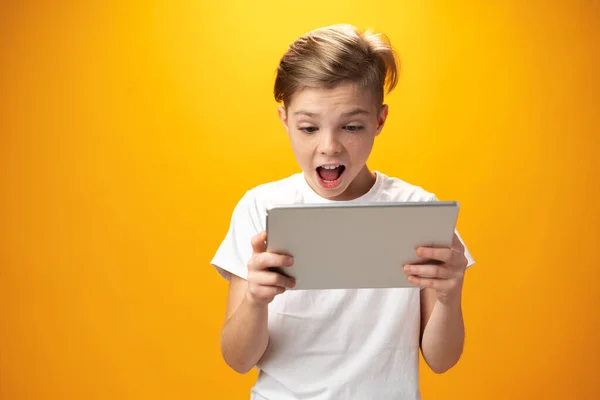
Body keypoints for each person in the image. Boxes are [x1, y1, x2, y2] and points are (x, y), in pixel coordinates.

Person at [210, 23, 475, 400]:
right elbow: (237, 359)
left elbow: (442, 359)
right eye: (308, 127)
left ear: (379, 120)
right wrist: (255, 299)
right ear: (285, 121)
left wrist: (450, 296)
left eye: (351, 126)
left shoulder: (417, 210)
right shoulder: (260, 207)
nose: (329, 146)